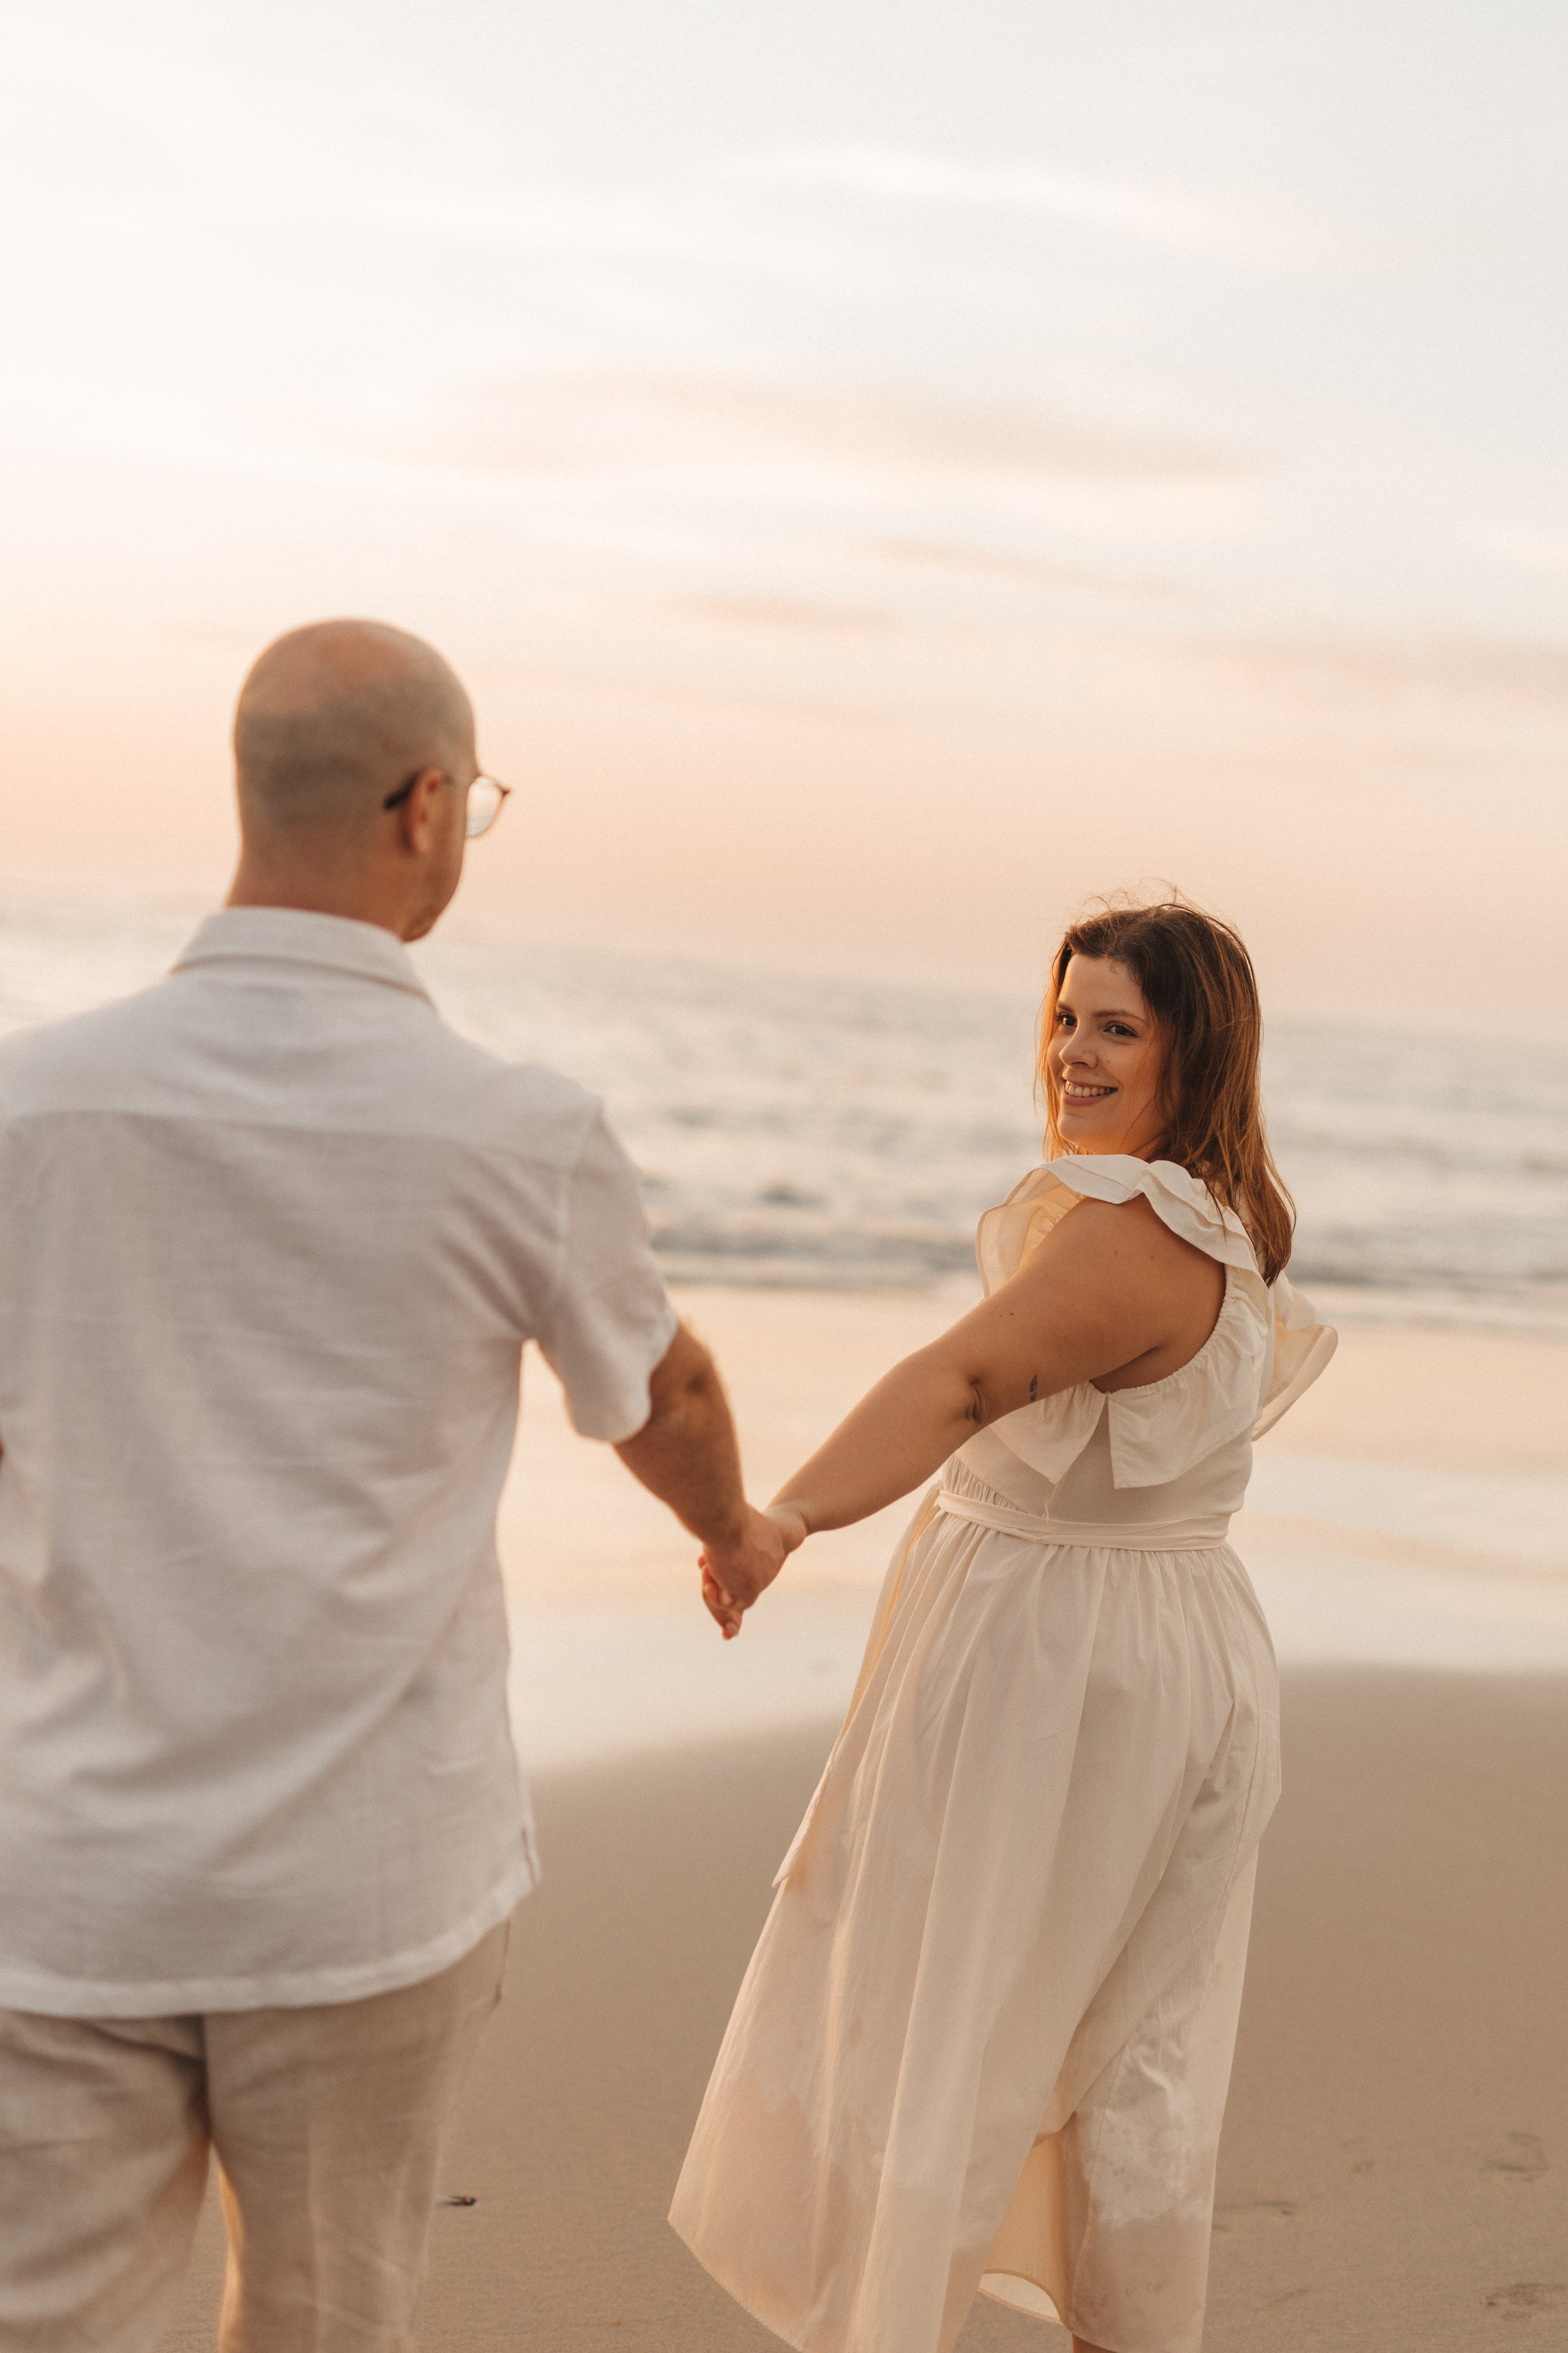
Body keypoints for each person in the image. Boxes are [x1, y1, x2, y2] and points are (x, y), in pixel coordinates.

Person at [0, 619, 782, 2352]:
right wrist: (729, 1528)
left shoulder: (29, 1105)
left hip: (65, 1871)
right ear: (425, 803)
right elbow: (664, 1392)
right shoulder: (515, 1128)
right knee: (335, 2318)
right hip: (364, 1887)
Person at [671, 897, 1337, 2353]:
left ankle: (894, 2324)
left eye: (1115, 1027)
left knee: (956, 2017)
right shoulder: (1214, 1217)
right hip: (1148, 1651)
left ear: (1193, 1051)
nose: (1071, 1053)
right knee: (1114, 2043)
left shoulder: (1132, 1229)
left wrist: (783, 1516)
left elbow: (963, 1383)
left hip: (1068, 1671)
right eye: (1062, 1017)